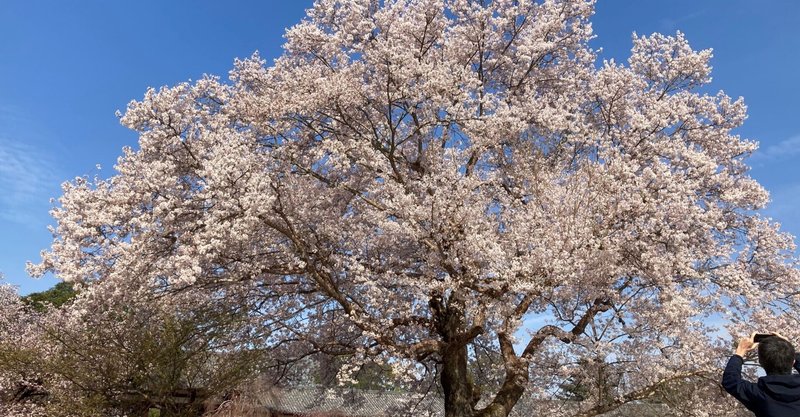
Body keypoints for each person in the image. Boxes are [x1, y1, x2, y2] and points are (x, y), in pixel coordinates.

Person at [722, 333, 800, 416]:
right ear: (793, 361)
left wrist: (740, 351)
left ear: (761, 363)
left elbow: (730, 381)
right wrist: (786, 348)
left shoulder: (759, 393)